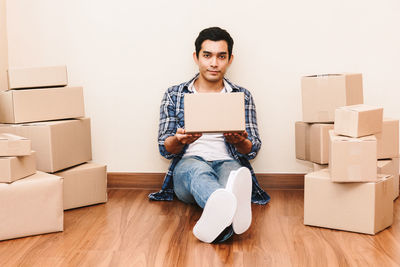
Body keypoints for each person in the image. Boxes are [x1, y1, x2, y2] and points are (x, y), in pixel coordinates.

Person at [149, 27, 270, 243]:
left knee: (234, 176)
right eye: (207, 55)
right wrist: (178, 140)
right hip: (189, 164)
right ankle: (229, 209)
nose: (214, 63)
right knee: (199, 172)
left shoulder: (242, 96)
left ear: (230, 59)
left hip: (227, 161)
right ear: (196, 57)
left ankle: (222, 216)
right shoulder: (174, 94)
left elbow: (252, 149)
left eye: (221, 56)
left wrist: (240, 141)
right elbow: (164, 148)